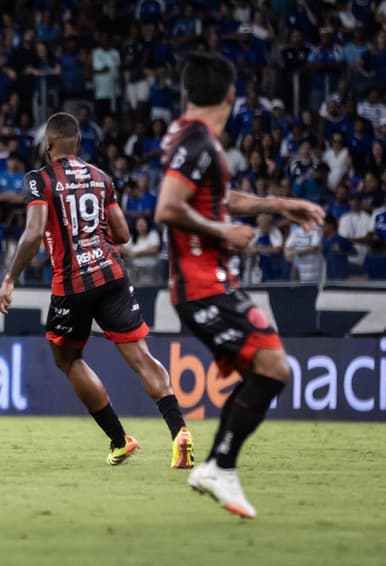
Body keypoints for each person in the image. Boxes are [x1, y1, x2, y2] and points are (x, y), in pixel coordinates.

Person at [154, 53, 324, 518]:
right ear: (232, 95)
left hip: (213, 282)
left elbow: (216, 198)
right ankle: (218, 467)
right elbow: (168, 208)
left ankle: (218, 466)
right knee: (275, 367)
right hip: (202, 284)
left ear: (188, 92)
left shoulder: (188, 136)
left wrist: (277, 203)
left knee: (269, 369)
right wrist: (221, 233)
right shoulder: (199, 140)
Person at [0, 112, 193, 470]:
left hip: (72, 285)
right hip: (112, 274)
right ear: (78, 143)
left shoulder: (39, 180)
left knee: (67, 360)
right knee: (141, 358)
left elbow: (34, 232)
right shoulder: (101, 177)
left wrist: (9, 280)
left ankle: (119, 440)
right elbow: (123, 234)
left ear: (49, 144)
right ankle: (179, 432)